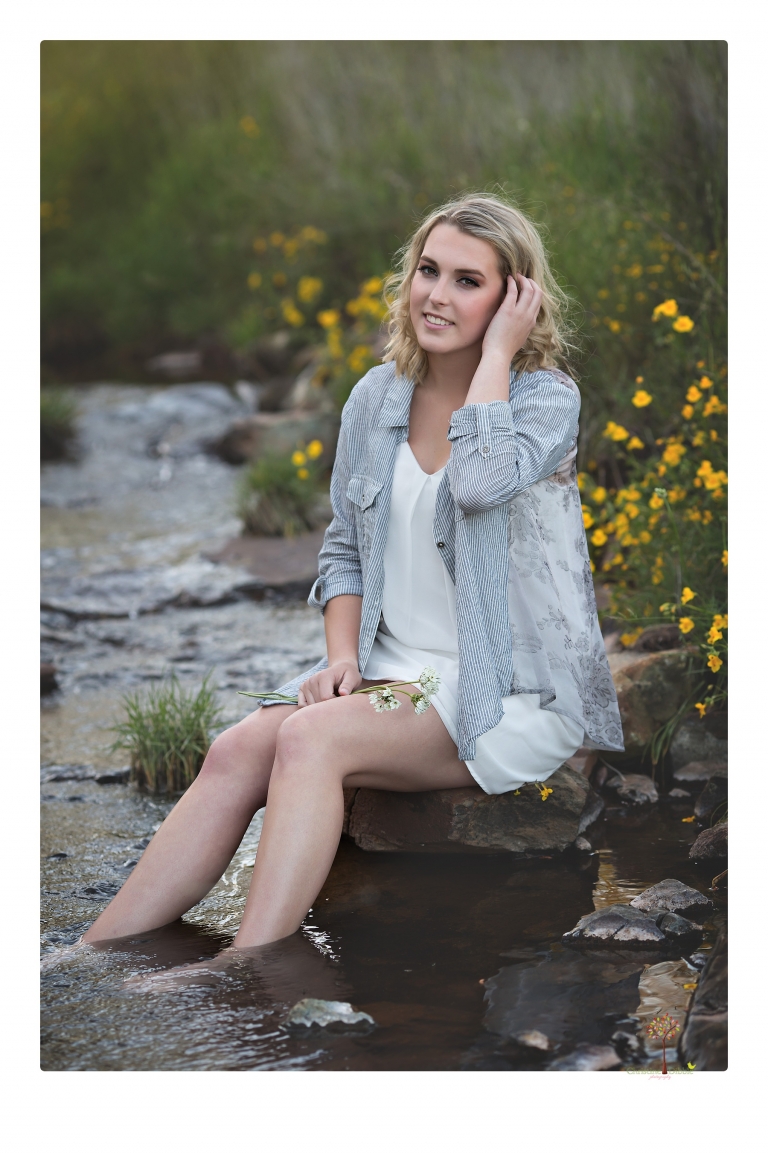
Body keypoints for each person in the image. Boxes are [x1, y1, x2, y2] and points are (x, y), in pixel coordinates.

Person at [82, 193, 623, 956]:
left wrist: (498, 356)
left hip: (503, 688)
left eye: (469, 281)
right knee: (238, 748)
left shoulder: (543, 399)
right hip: (393, 668)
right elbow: (342, 549)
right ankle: (91, 951)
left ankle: (246, 963)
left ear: (515, 298)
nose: (437, 294)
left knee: (311, 742)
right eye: (428, 270)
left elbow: (477, 482)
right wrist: (343, 659)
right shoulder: (376, 398)